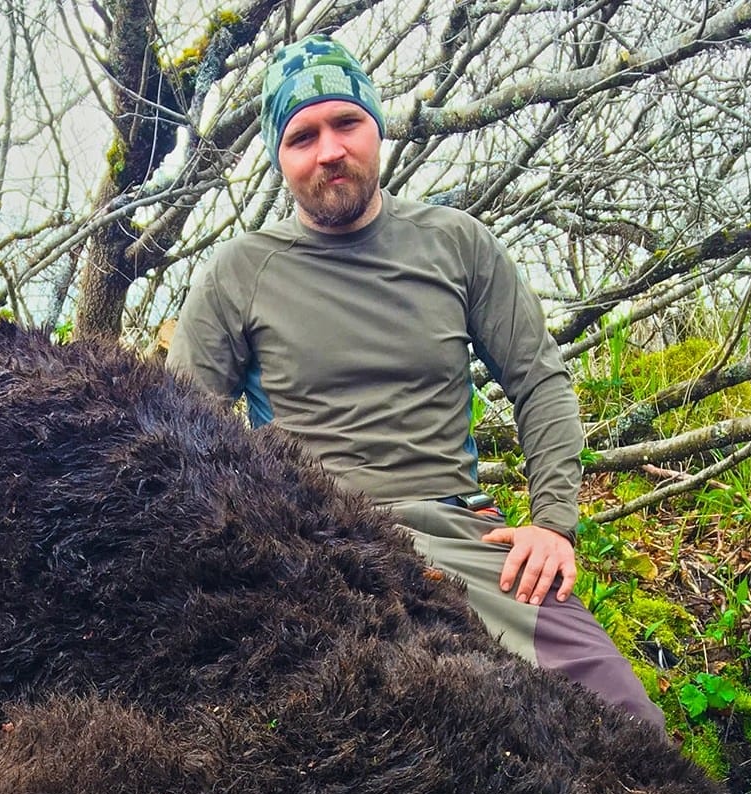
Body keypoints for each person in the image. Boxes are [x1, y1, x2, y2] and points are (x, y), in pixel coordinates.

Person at [167, 34, 665, 732]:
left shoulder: (455, 243)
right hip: (313, 542)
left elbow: (539, 380)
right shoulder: (237, 271)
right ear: (282, 159)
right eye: (302, 136)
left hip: (457, 534)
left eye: (345, 123)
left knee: (628, 724)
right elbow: (182, 434)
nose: (329, 149)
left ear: (377, 128)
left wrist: (552, 526)